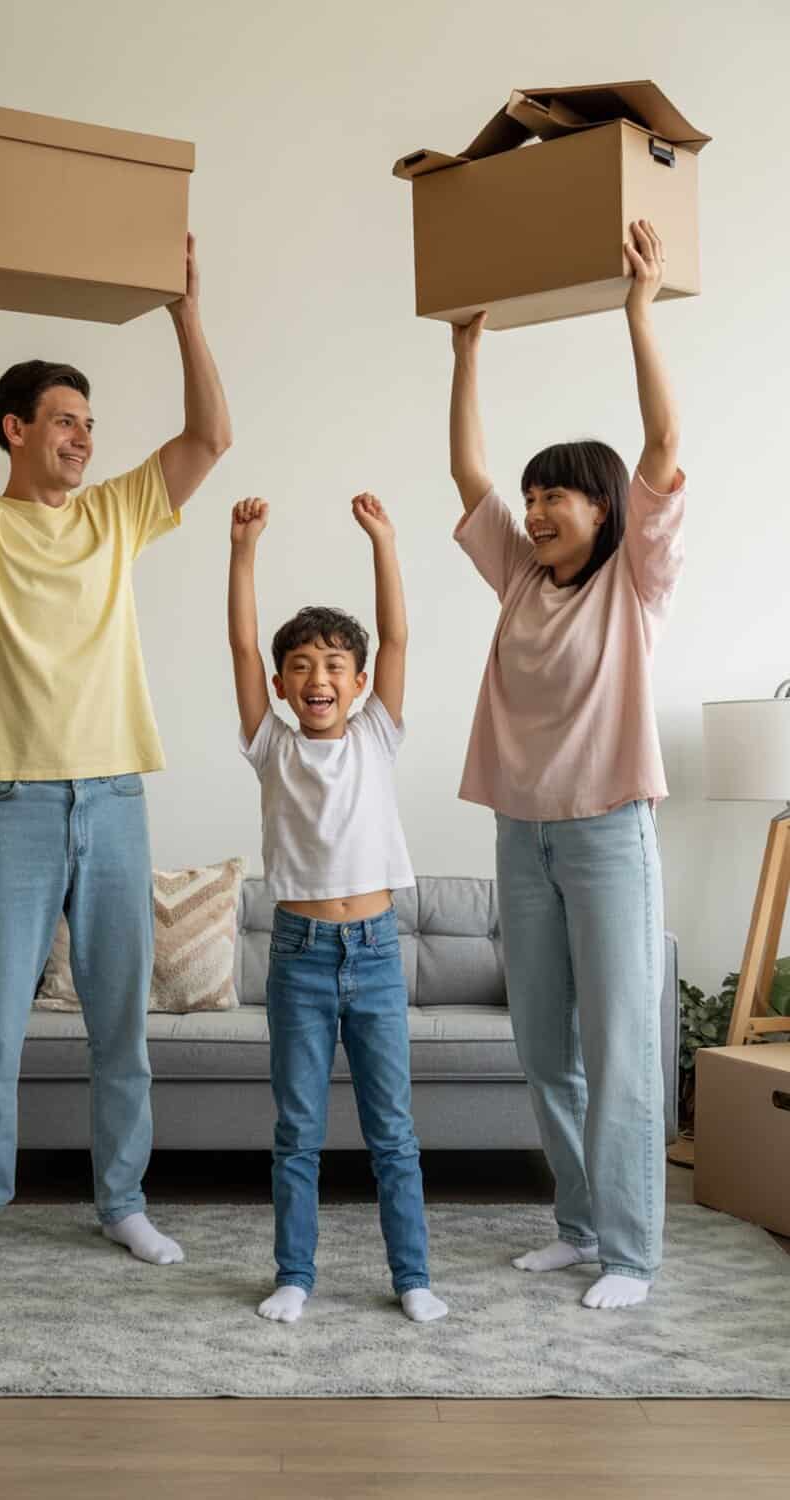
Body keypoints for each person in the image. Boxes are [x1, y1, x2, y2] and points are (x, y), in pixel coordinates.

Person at [0, 196, 232, 1274]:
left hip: (114, 799)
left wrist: (186, 310)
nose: (85, 438)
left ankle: (122, 1201)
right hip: (11, 806)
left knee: (121, 1026)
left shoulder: (116, 515)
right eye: (67, 421)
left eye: (89, 424)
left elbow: (211, 438)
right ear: (15, 430)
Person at [449, 220, 683, 1309]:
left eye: (559, 496)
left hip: (608, 835)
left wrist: (638, 312)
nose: (537, 509)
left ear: (605, 510)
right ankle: (579, 1226)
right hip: (522, 835)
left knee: (622, 1050)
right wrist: (465, 351)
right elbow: (467, 471)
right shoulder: (518, 580)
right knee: (546, 1049)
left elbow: (662, 445)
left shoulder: (633, 582)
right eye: (534, 495)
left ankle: (630, 1255)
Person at [228, 491, 447, 1324]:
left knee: (393, 1131)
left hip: (377, 954)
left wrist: (383, 541)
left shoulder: (376, 736)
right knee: (298, 1131)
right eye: (300, 666)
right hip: (300, 957)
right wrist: (244, 550)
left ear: (358, 684)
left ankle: (412, 1277)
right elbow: (239, 643)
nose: (317, 678)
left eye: (333, 666)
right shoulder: (271, 747)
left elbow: (398, 637)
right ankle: (294, 1275)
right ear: (281, 686)